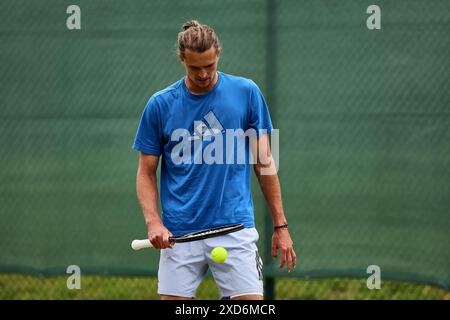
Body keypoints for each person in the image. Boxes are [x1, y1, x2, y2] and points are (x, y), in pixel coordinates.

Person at [133, 20, 296, 300]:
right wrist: (153, 223)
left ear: (218, 53)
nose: (204, 74)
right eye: (195, 67)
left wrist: (281, 226)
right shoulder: (160, 105)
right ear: (182, 59)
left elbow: (265, 163)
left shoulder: (247, 93)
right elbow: (146, 172)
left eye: (209, 65)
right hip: (179, 236)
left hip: (235, 229)